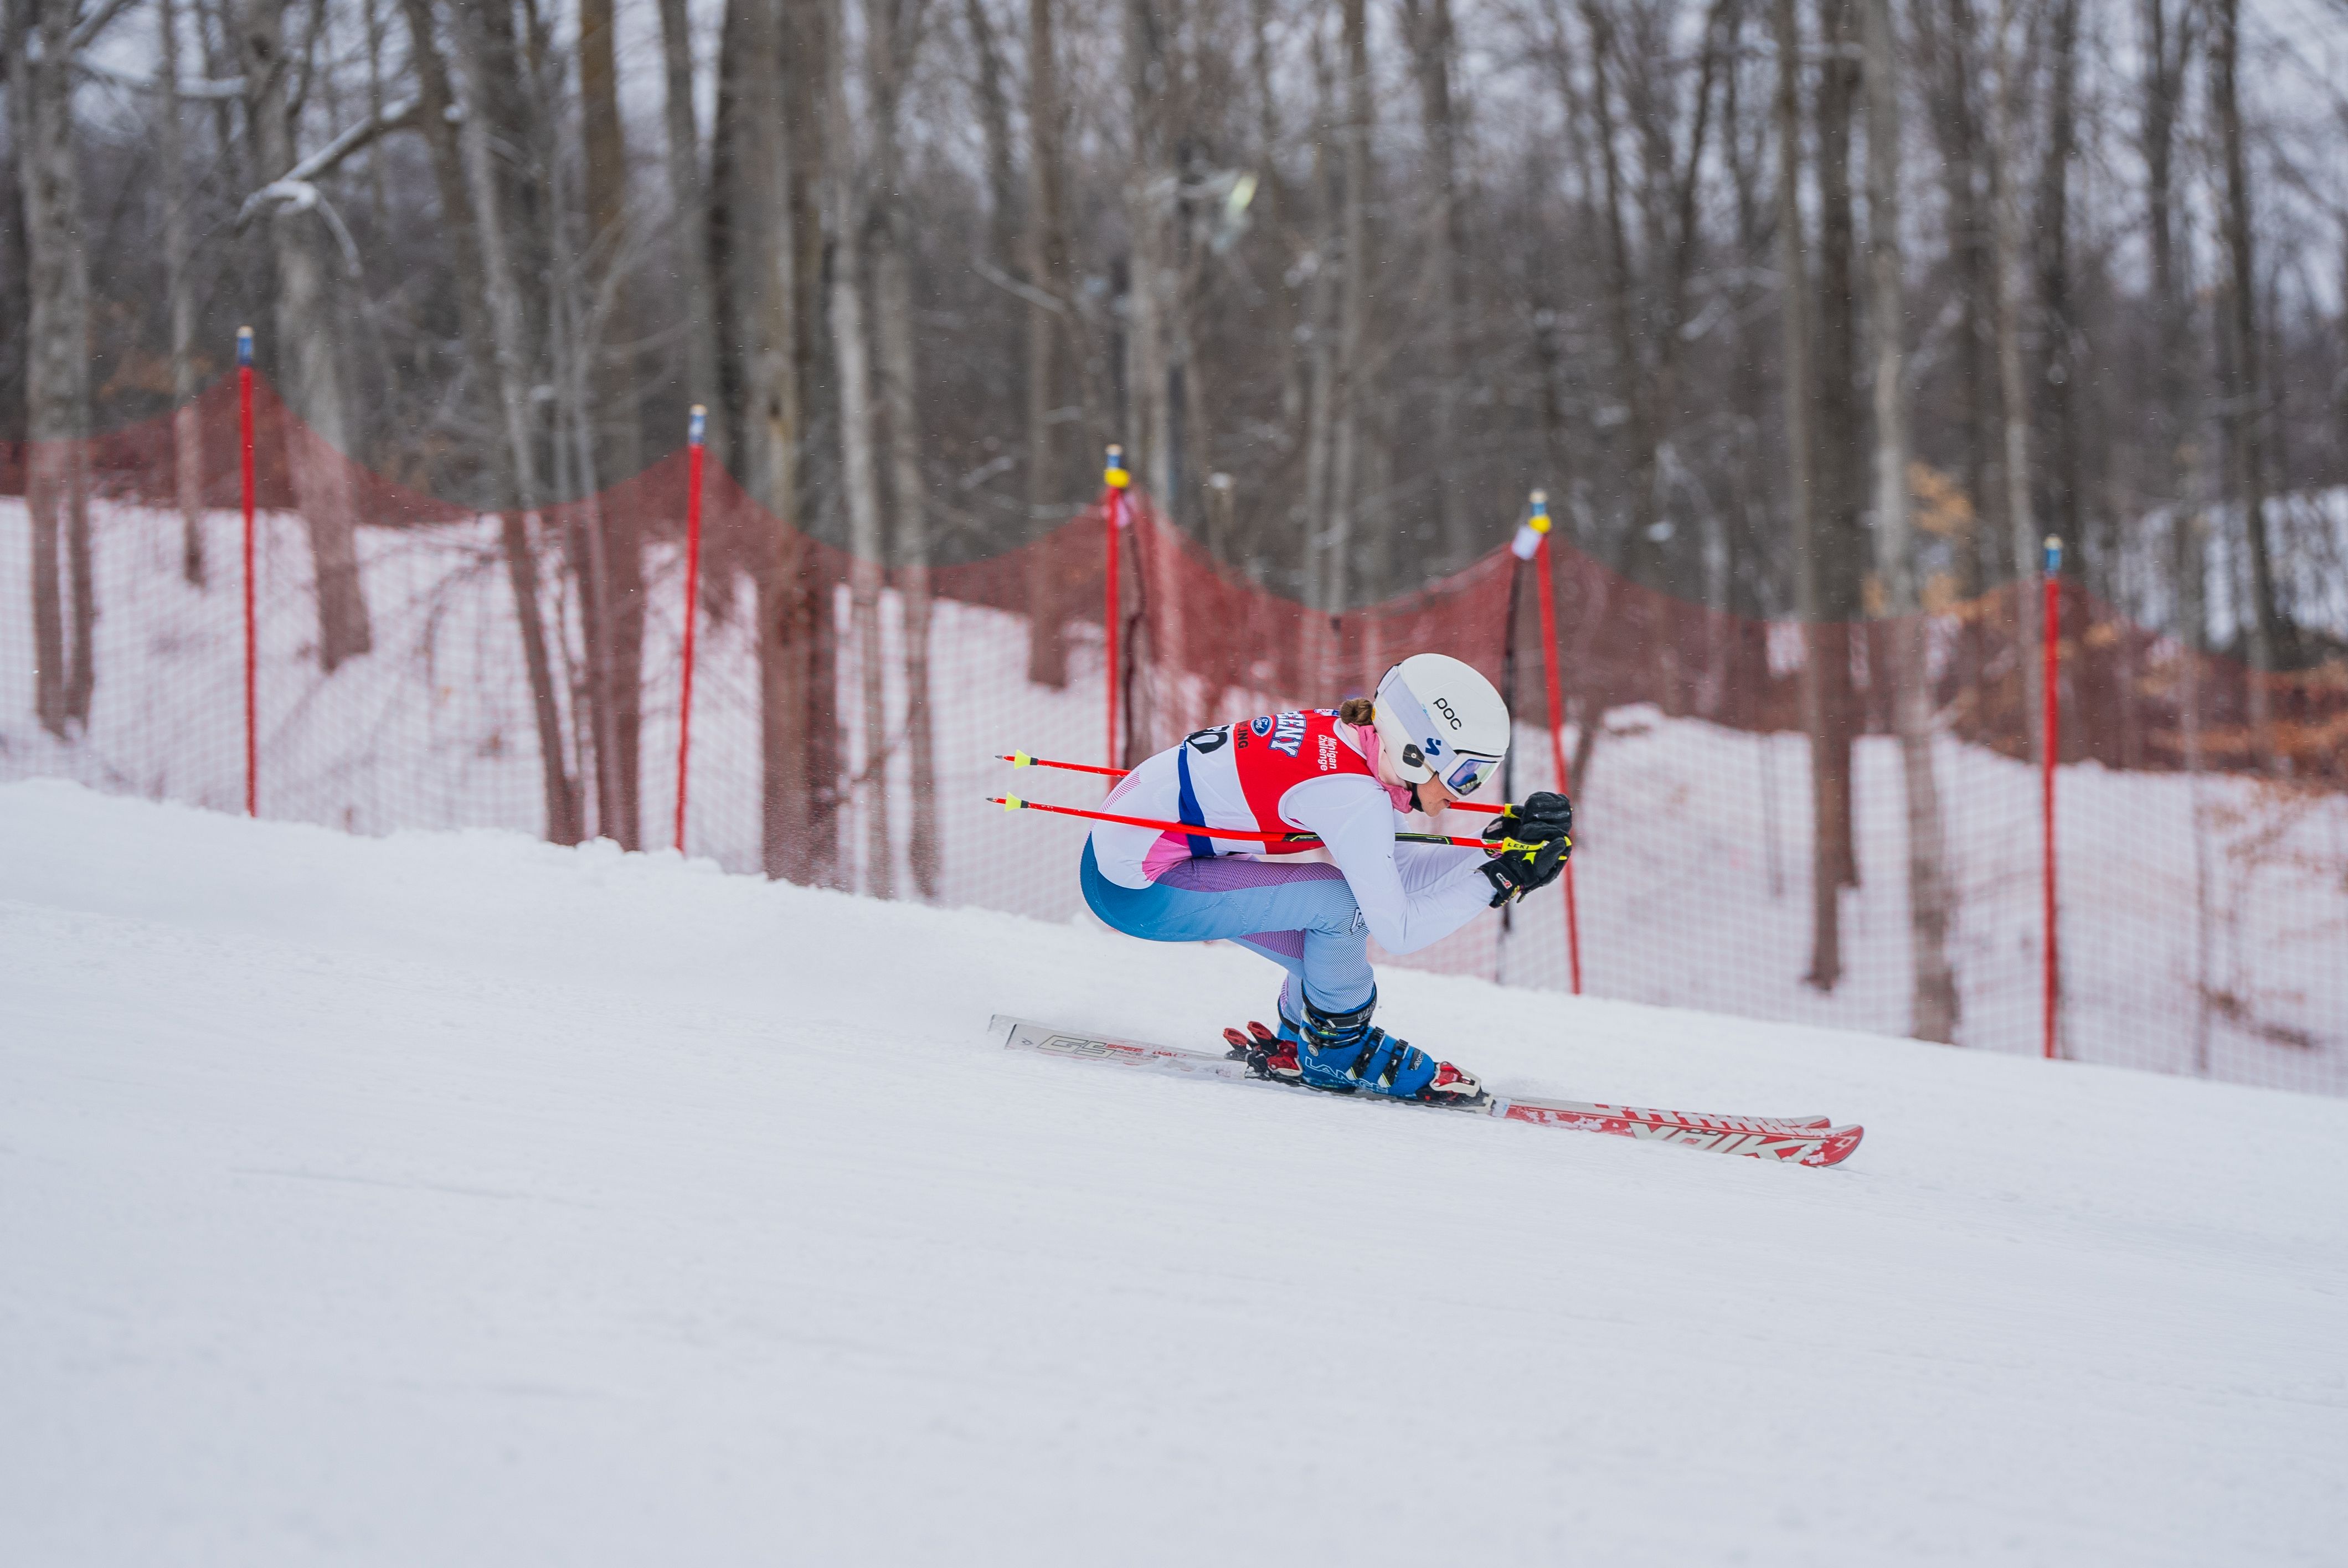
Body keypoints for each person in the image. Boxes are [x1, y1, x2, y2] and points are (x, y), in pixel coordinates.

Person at [1079, 653, 1573, 1105]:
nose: (1466, 795)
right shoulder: (1351, 794)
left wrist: (1494, 852)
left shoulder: (1355, 743)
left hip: (1135, 862)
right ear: (1417, 753)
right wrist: (1500, 879)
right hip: (1137, 890)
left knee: (1334, 931)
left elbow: (1396, 870)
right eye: (1466, 775)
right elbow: (1398, 930)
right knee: (1342, 906)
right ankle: (1335, 1051)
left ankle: (1302, 1036)